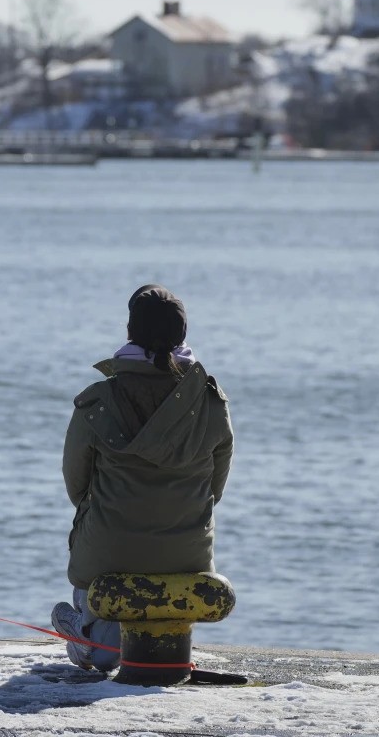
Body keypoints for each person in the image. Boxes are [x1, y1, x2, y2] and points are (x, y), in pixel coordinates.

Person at [51, 284, 234, 671]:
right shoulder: (211, 401)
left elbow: (76, 484)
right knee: (161, 608)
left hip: (105, 556)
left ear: (130, 331)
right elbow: (215, 488)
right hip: (188, 556)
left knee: (102, 643)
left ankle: (88, 638)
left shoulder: (99, 400)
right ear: (182, 334)